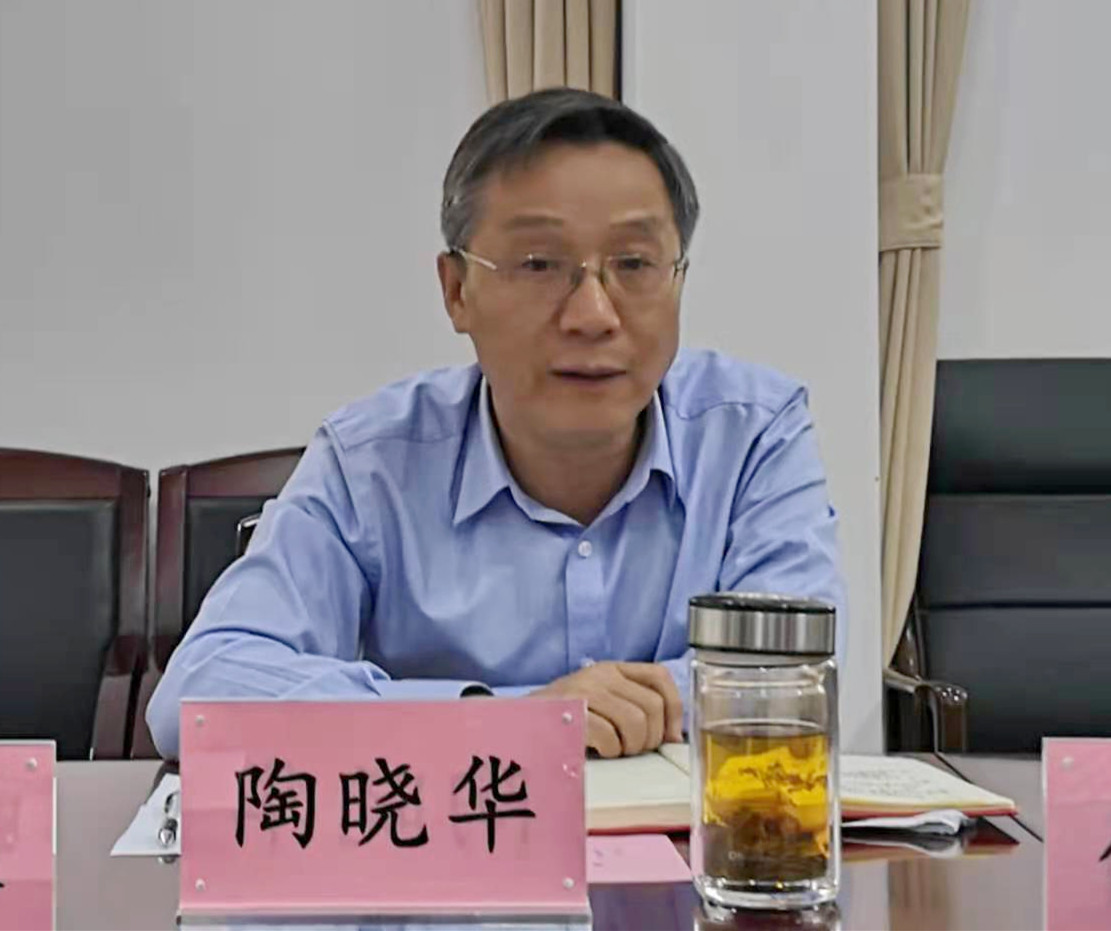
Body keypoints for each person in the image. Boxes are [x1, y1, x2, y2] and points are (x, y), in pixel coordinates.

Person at [147, 87, 846, 760]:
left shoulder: (753, 436)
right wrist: (506, 719)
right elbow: (199, 693)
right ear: (457, 291)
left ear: (679, 280)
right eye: (539, 265)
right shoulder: (372, 463)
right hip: (464, 835)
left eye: (634, 264)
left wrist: (612, 710)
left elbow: (796, 679)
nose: (593, 315)